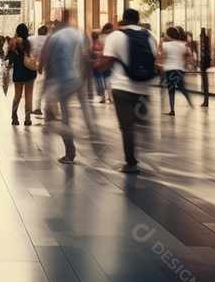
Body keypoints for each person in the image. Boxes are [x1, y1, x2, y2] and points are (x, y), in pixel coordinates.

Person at [94, 9, 158, 173]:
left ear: (123, 20)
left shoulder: (116, 36)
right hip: (144, 86)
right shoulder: (149, 35)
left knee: (126, 126)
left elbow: (106, 62)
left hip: (122, 87)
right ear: (138, 20)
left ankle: (131, 162)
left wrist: (97, 65)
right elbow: (154, 58)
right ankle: (144, 130)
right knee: (140, 119)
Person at [41, 10, 90, 163]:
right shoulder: (77, 34)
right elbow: (86, 54)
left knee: (50, 117)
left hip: (58, 81)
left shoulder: (54, 37)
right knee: (66, 113)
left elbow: (45, 60)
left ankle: (70, 142)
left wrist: (44, 82)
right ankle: (70, 150)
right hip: (76, 79)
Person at [6, 24, 39, 126]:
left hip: (19, 71)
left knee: (17, 95)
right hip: (30, 70)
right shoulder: (29, 42)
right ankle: (27, 118)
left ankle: (14, 116)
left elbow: (9, 58)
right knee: (29, 95)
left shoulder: (14, 42)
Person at [160, 27, 194, 115]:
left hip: (169, 69)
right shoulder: (183, 45)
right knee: (182, 87)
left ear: (169, 35)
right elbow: (187, 55)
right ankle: (190, 102)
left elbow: (163, 56)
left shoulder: (165, 45)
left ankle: (172, 110)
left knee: (171, 89)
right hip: (179, 69)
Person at [29, 24, 49, 116]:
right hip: (50, 65)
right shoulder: (50, 39)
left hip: (37, 65)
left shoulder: (32, 39)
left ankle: (37, 107)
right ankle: (49, 109)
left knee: (39, 86)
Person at [199, 27, 211, 106]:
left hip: (204, 64)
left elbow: (204, 52)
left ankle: (206, 100)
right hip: (204, 64)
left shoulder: (204, 39)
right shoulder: (205, 39)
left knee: (205, 82)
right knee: (204, 82)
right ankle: (205, 100)